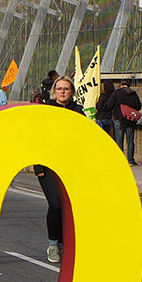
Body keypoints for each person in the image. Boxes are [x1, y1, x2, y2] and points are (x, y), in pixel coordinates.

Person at [36, 77, 84, 262]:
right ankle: (53, 244)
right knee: (56, 204)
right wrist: (38, 164)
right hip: (48, 166)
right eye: (60, 88)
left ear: (72, 91)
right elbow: (38, 136)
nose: (63, 92)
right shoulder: (46, 110)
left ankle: (66, 243)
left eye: (66, 89)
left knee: (69, 206)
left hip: (71, 165)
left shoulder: (78, 112)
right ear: (54, 91)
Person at [103, 79, 141, 163]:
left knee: (119, 140)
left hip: (118, 119)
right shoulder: (133, 93)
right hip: (130, 120)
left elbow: (109, 105)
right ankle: (131, 160)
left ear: (121, 85)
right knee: (130, 140)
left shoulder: (117, 93)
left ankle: (120, 160)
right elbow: (138, 106)